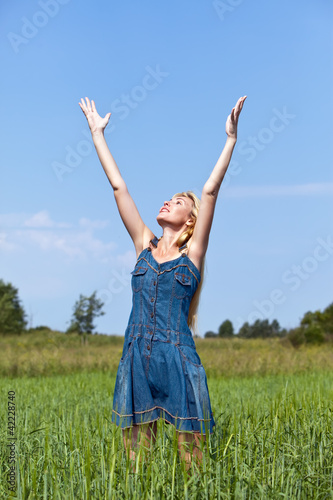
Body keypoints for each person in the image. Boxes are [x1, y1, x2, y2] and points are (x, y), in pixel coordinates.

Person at [79, 95, 246, 468]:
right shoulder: (143, 243)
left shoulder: (193, 256)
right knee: (136, 463)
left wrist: (231, 140)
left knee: (192, 460)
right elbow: (119, 187)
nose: (167, 202)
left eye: (177, 201)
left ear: (191, 221)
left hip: (178, 357)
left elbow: (209, 191)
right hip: (137, 356)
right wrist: (97, 135)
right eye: (168, 199)